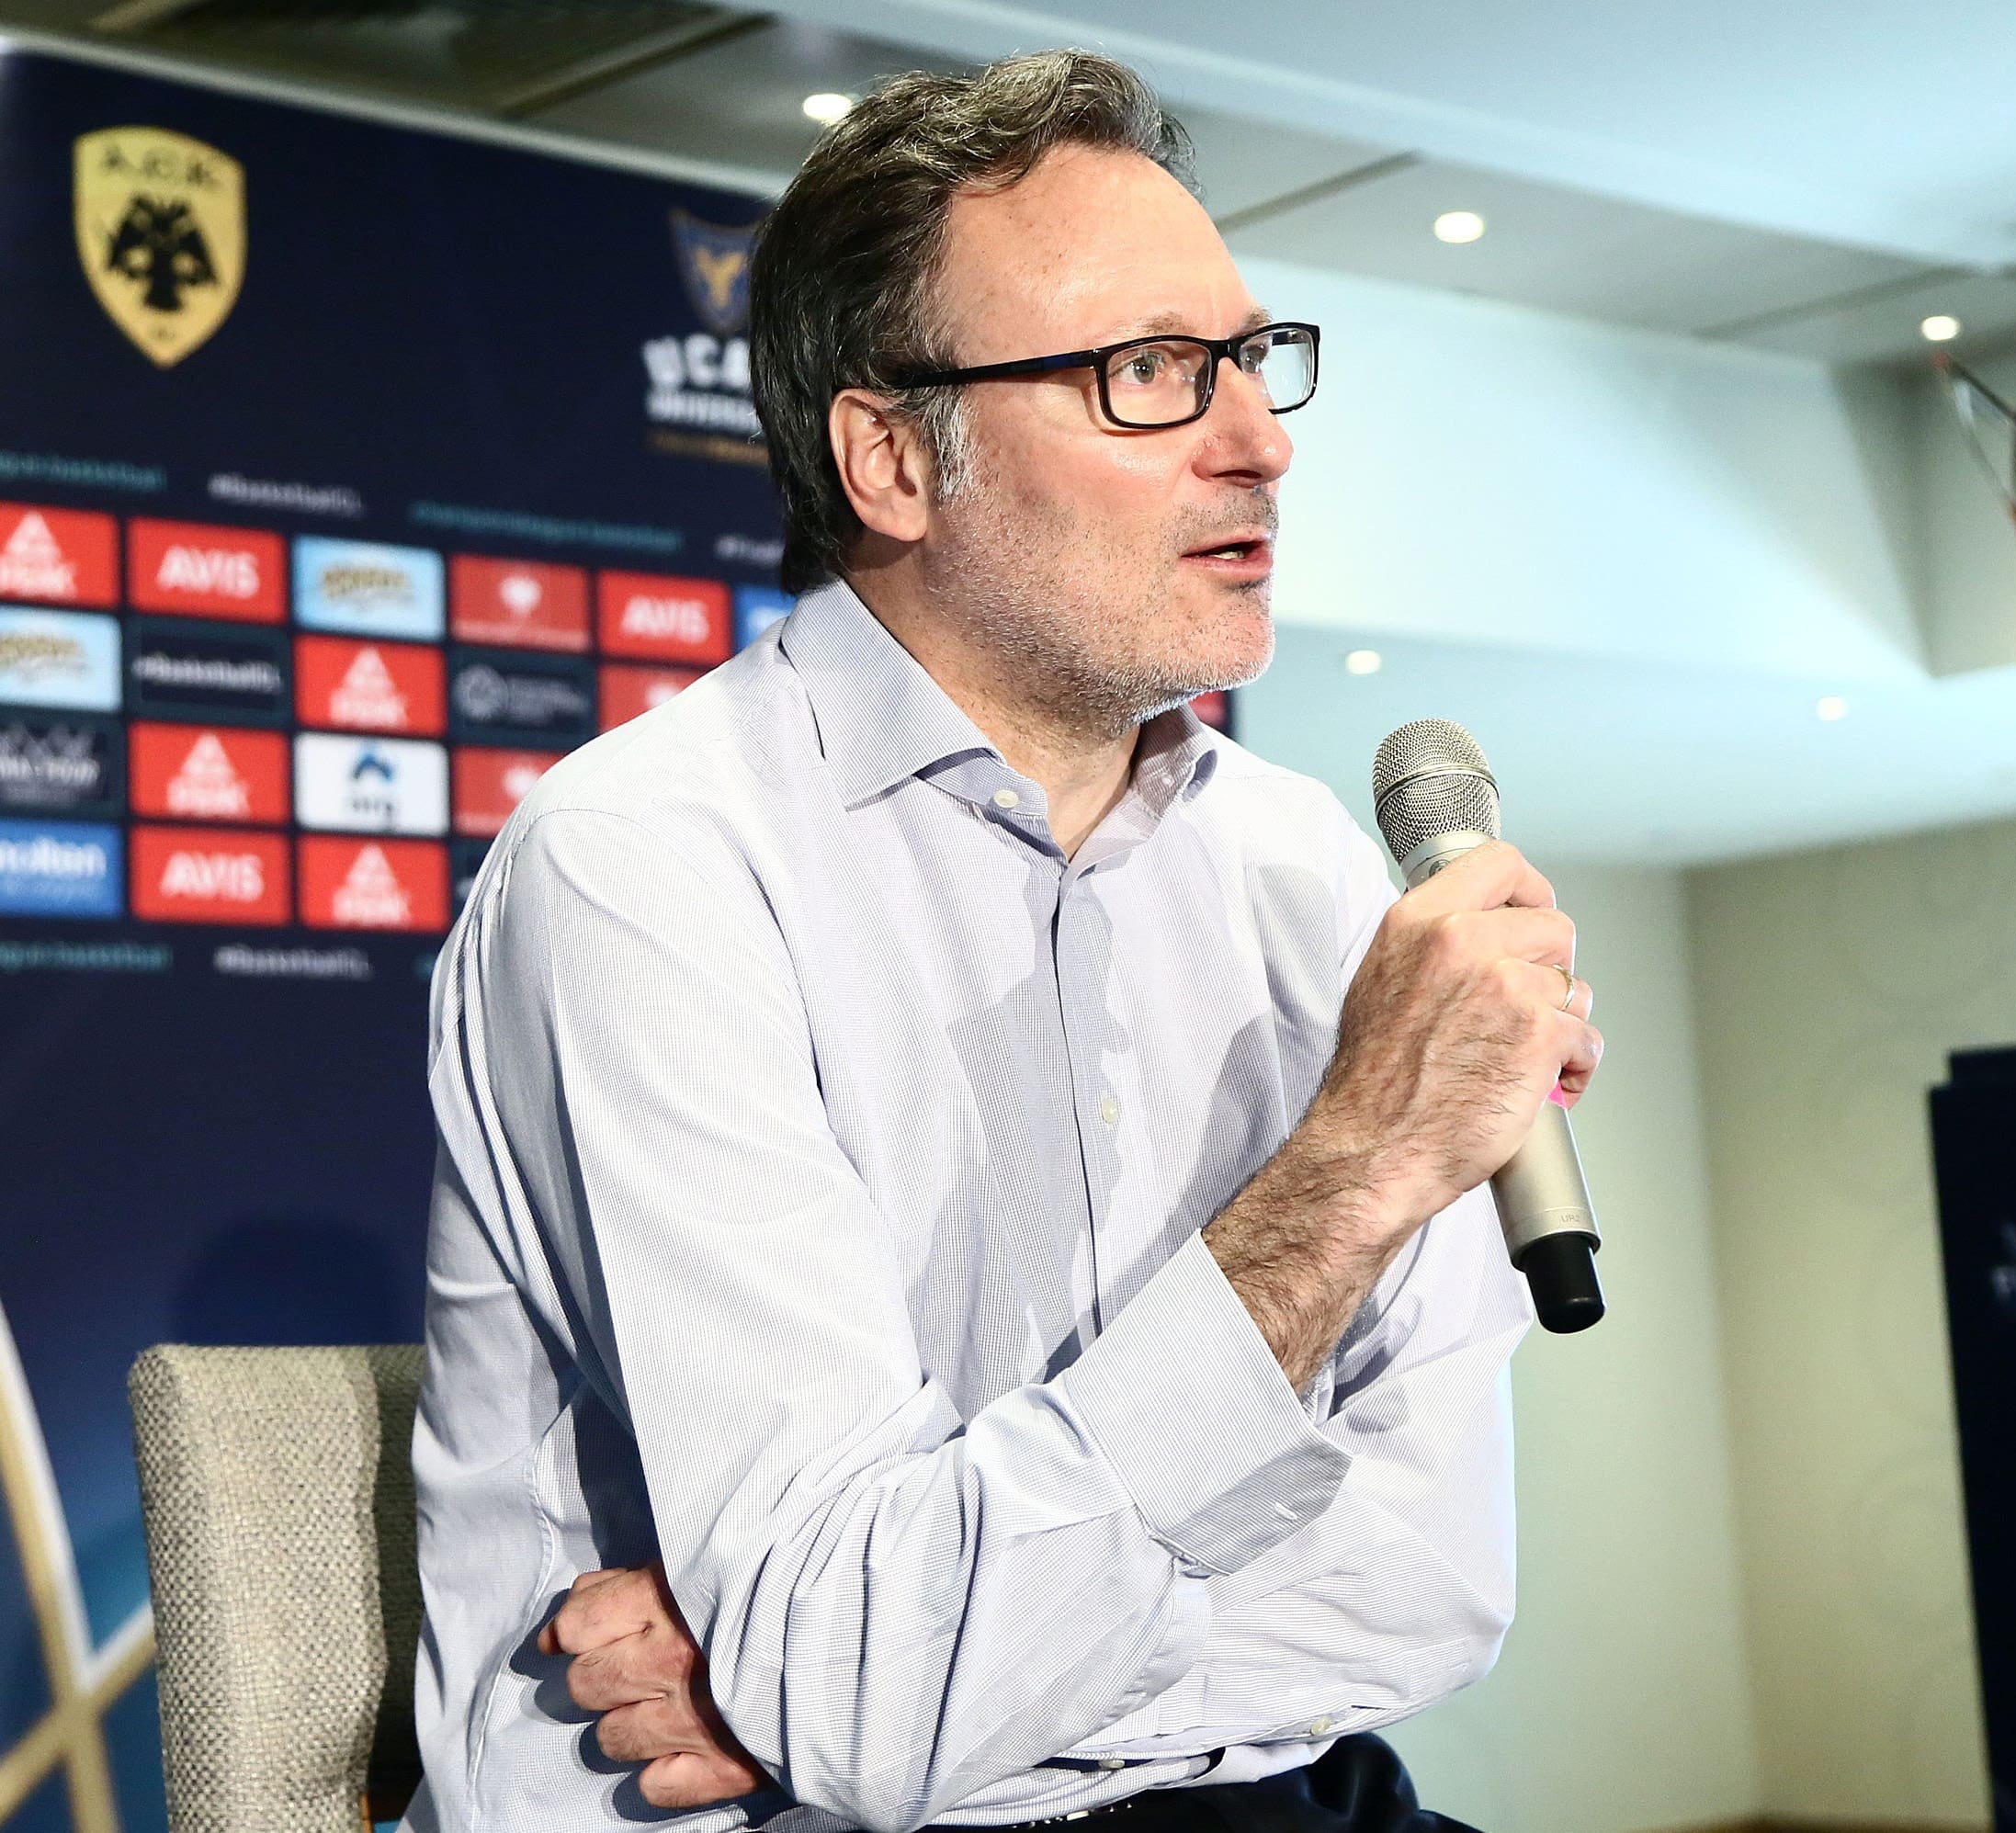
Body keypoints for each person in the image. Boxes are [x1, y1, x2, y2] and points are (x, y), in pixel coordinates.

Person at [406, 48, 1603, 1833]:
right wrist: (1356, 1163)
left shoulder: (1300, 863)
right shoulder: (646, 866)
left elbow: (1432, 1579)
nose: (1260, 440)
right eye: (1148, 373)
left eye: (1251, 358)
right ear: (891, 457)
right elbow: (870, 1692)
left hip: (1267, 1796)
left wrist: (883, 1679)